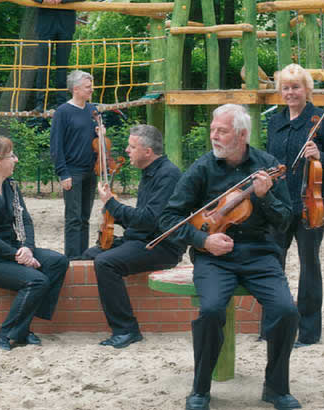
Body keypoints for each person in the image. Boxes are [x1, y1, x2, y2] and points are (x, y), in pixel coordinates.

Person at [159, 104, 300, 410]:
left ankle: (276, 388)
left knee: (287, 311)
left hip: (259, 254)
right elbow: (169, 218)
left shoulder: (266, 165)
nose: (214, 136)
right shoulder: (203, 167)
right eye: (213, 130)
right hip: (214, 258)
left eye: (221, 131)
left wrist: (265, 197)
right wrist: (203, 240)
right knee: (210, 311)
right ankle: (200, 389)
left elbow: (285, 220)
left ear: (242, 134)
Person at [266, 63, 324, 348]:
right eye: (286, 88)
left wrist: (319, 154)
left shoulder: (322, 119)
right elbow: (269, 161)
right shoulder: (275, 122)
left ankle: (309, 331)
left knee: (308, 265)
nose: (290, 93)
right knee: (273, 264)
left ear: (307, 89)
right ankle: (274, 322)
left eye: (295, 87)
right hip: (278, 204)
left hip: (310, 205)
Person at [81, 125, 183, 349]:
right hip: (142, 239)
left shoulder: (169, 175)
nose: (127, 150)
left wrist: (112, 205)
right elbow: (141, 219)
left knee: (106, 263)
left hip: (162, 247)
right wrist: (113, 215)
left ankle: (126, 330)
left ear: (147, 152)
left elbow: (149, 220)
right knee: (87, 255)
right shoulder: (150, 172)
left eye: (132, 146)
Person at [0, 136, 69, 350]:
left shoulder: (11, 186)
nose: (16, 159)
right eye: (12, 155)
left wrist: (28, 248)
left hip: (15, 250)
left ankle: (23, 327)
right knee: (37, 281)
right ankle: (5, 335)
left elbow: (26, 221)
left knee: (58, 262)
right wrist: (18, 256)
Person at [20, 0, 87, 112]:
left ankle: (61, 103)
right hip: (45, 25)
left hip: (65, 25)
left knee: (62, 65)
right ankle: (40, 104)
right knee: (44, 65)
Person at [50, 70, 98, 259]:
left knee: (85, 218)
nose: (91, 90)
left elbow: (94, 141)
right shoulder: (63, 112)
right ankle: (71, 258)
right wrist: (63, 173)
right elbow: (56, 145)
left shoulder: (92, 110)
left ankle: (83, 256)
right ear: (76, 89)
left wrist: (100, 133)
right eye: (88, 87)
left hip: (91, 170)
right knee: (73, 218)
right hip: (72, 171)